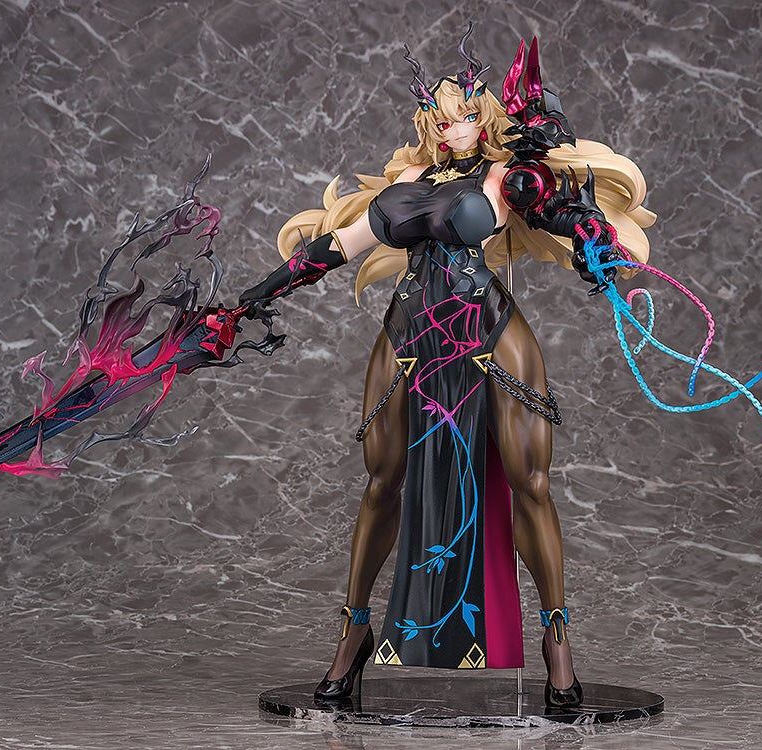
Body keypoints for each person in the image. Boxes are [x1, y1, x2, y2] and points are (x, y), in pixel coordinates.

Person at [239, 28, 655, 708]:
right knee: (381, 482)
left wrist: (590, 237)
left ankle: (556, 641)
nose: (447, 122)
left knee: (531, 482)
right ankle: (353, 635)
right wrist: (255, 295)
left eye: (460, 112)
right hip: (409, 332)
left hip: (486, 330)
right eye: (436, 112)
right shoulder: (407, 182)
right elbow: (338, 245)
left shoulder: (504, 177)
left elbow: (560, 212)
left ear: (482, 118)